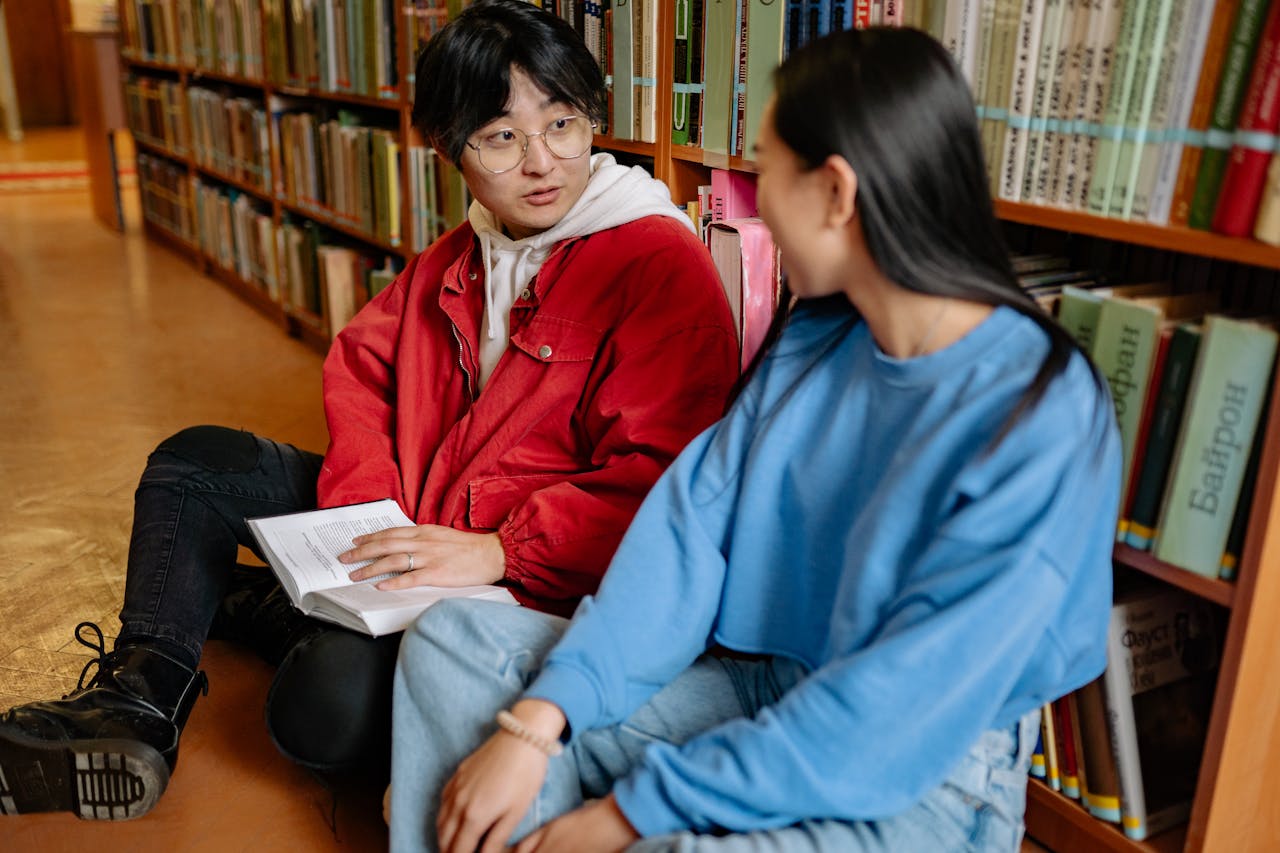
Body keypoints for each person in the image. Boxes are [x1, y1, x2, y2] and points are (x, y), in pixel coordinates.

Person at [388, 25, 1123, 853]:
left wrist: (625, 812)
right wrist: (536, 724)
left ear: (836, 192)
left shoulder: (1040, 412)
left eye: (768, 169)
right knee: (456, 640)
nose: (755, 199)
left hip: (919, 773)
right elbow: (686, 539)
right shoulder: (819, 337)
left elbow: (885, 719)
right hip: (758, 684)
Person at [0, 0, 738, 821]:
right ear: (448, 148)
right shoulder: (465, 250)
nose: (542, 162)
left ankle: (261, 603)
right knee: (192, 460)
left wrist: (500, 549)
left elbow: (663, 487)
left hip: (518, 589)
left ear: (592, 118)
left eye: (564, 124)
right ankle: (138, 702)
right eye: (501, 137)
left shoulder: (657, 265)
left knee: (318, 713)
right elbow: (363, 366)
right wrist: (364, 516)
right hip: (406, 531)